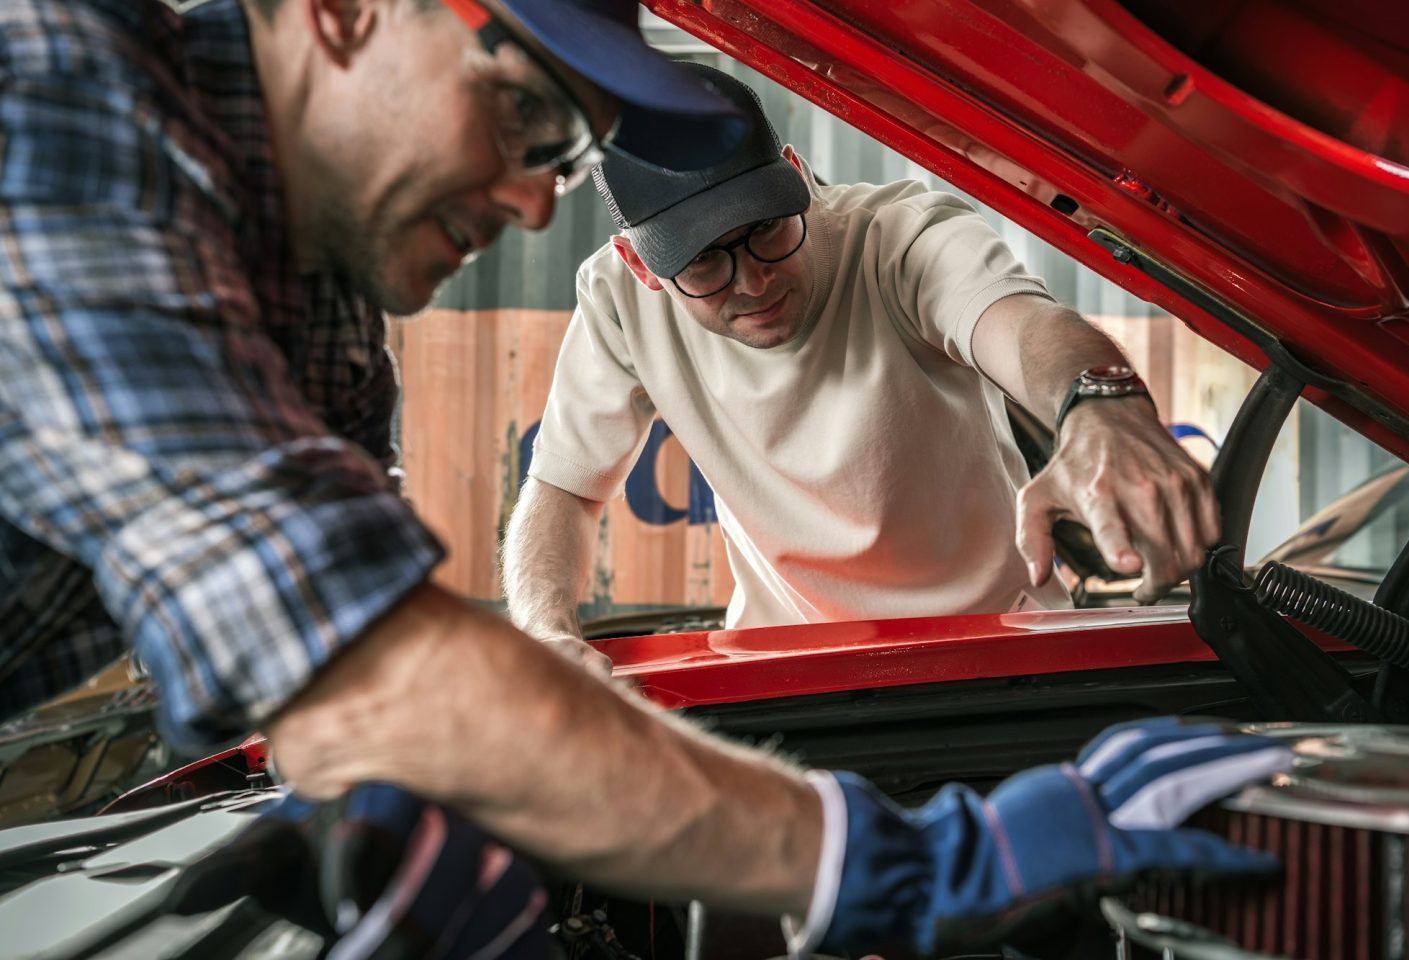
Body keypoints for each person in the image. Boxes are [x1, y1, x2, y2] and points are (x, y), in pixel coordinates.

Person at [0, 1, 1283, 956]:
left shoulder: (320, 322)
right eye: (524, 115)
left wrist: (1096, 399)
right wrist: (927, 863)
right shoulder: (59, 100)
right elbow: (375, 667)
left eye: (562, 153)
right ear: (347, 12)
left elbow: (349, 709)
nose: (534, 201)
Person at [503, 66, 1220, 675]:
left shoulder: (901, 239)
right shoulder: (618, 299)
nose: (752, 282)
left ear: (795, 178)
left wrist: (1099, 403)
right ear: (641, 265)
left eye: (765, 230)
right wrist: (544, 634)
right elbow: (562, 489)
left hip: (995, 649)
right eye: (706, 263)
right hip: (783, 666)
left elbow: (1026, 327)